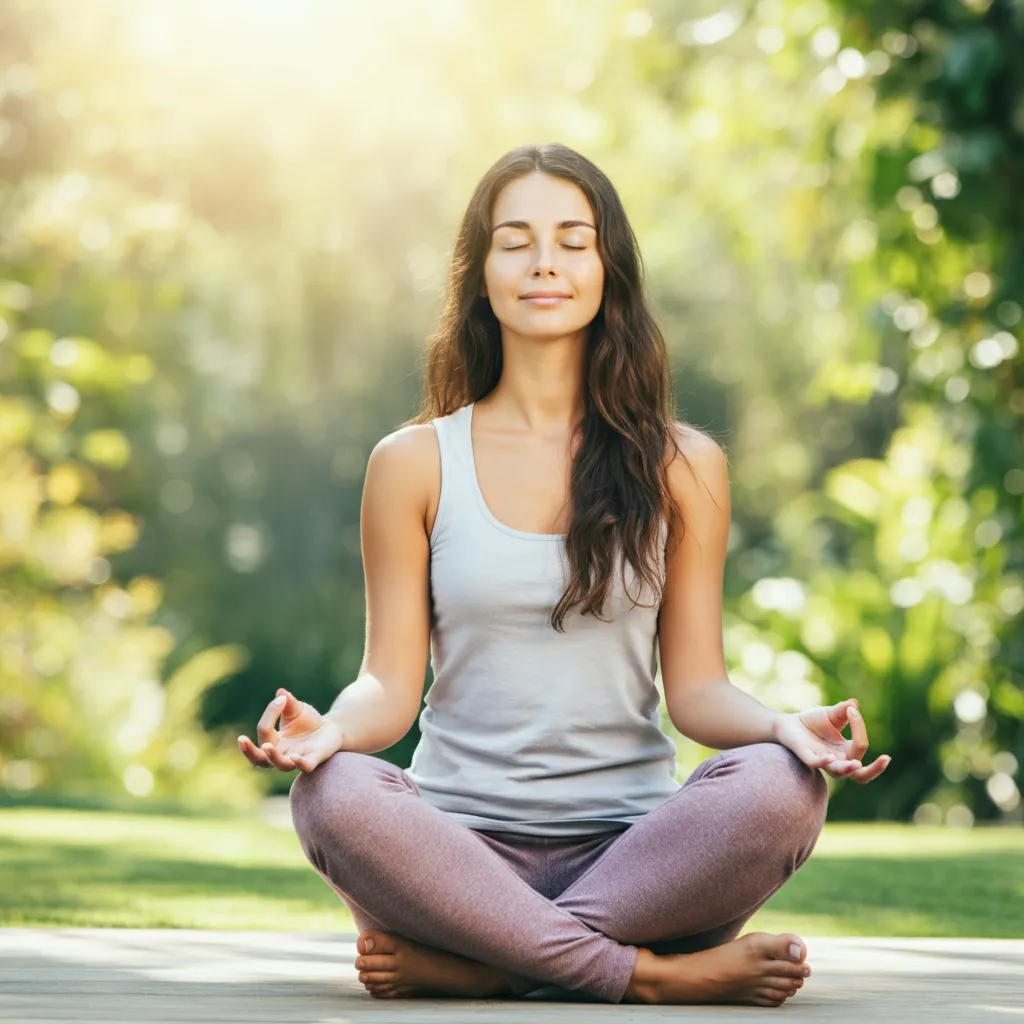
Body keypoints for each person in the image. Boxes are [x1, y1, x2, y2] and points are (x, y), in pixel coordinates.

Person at [237, 142, 891, 1006]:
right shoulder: (413, 462)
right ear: (480, 274)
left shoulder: (683, 465)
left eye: (572, 239)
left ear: (607, 268)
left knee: (781, 785)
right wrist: (330, 734)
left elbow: (697, 690)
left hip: (638, 861)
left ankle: (485, 967)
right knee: (334, 793)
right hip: (455, 856)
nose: (544, 261)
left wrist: (782, 728)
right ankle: (644, 978)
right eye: (516, 240)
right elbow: (387, 686)